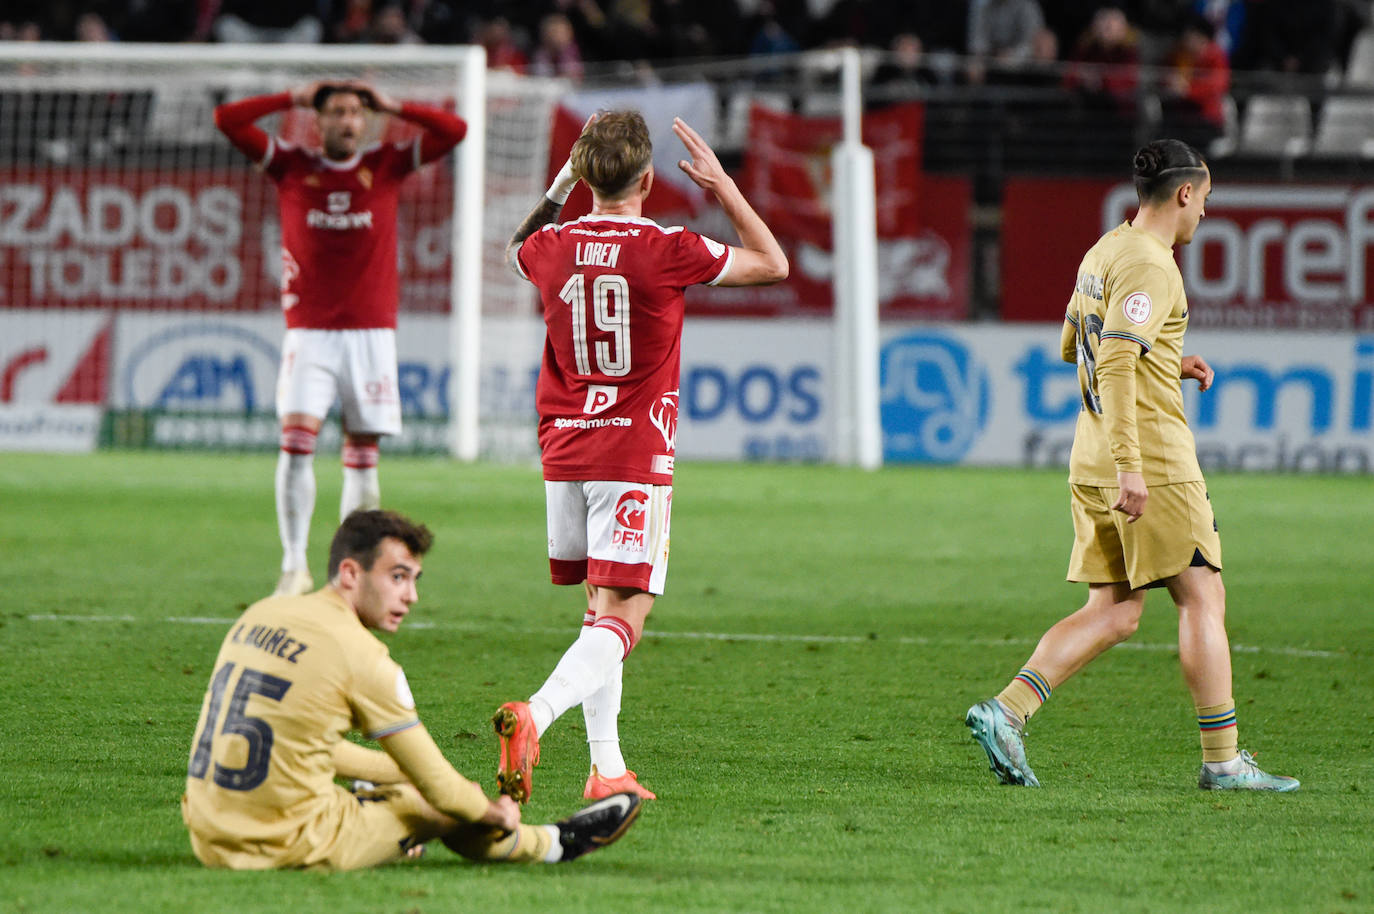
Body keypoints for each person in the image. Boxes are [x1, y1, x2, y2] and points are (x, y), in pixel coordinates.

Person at [965, 140, 1299, 793]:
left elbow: (1075, 344)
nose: (1205, 212)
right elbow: (1115, 360)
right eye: (1204, 198)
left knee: (1115, 610)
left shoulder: (1105, 250)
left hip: (1089, 456)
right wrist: (1132, 466)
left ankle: (1007, 712)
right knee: (1202, 596)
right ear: (1184, 193)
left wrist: (1168, 360)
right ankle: (1223, 762)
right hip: (1149, 462)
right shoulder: (1151, 263)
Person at [492, 112, 788, 804]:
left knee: (600, 608)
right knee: (626, 616)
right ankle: (536, 714)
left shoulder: (552, 246)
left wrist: (561, 183)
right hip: (631, 453)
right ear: (649, 179)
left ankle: (607, 768)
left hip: (565, 451)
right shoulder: (668, 247)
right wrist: (722, 186)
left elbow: (514, 248)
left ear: (585, 175)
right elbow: (773, 263)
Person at [181, 509, 642, 870]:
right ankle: (553, 843)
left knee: (405, 784)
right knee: (433, 807)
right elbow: (440, 788)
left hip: (207, 832)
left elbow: (300, 740)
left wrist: (396, 773)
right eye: (397, 577)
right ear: (350, 574)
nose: (411, 596)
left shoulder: (262, 613)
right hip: (283, 843)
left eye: (414, 580)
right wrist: (490, 810)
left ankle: (383, 816)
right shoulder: (363, 657)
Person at [213, 81, 467, 598]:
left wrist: (395, 103)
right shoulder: (289, 165)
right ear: (318, 120)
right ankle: (294, 566)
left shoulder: (387, 164)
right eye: (335, 112)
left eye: (355, 112)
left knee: (363, 455)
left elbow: (454, 130)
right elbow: (228, 120)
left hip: (371, 335)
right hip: (309, 334)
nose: (347, 120)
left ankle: (349, 571)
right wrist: (290, 97)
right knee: (295, 447)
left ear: (365, 121)